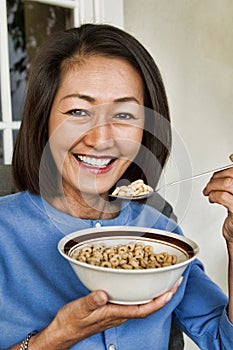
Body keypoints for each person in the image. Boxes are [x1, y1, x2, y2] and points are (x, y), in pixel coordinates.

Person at [0, 23, 233, 350]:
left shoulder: (162, 236)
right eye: (78, 111)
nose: (100, 139)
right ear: (44, 120)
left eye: (124, 114)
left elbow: (224, 342)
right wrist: (55, 338)